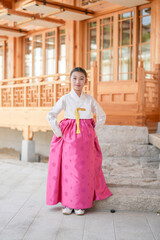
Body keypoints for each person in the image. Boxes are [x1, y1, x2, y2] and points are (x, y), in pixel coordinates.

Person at [46, 67, 112, 216]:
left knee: (84, 170)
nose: (78, 81)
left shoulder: (89, 99)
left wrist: (94, 131)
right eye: (74, 78)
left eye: (81, 78)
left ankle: (80, 203)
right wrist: (59, 132)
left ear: (86, 81)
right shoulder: (65, 98)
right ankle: (68, 203)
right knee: (69, 170)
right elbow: (50, 115)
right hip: (69, 136)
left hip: (86, 138)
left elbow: (102, 116)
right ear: (70, 80)